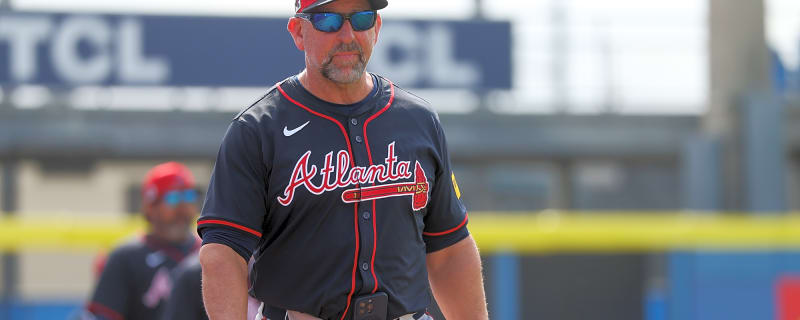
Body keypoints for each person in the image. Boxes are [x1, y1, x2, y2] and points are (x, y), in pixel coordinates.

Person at [197, 0, 488, 319]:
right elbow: (223, 253)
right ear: (298, 32)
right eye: (327, 20)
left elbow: (449, 248)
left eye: (362, 19)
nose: (347, 33)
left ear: (377, 28)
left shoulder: (418, 120)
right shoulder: (258, 129)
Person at [83, 162, 202, 320]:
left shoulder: (209, 254)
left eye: (188, 196)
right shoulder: (125, 257)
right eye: (172, 198)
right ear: (150, 207)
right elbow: (102, 315)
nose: (182, 207)